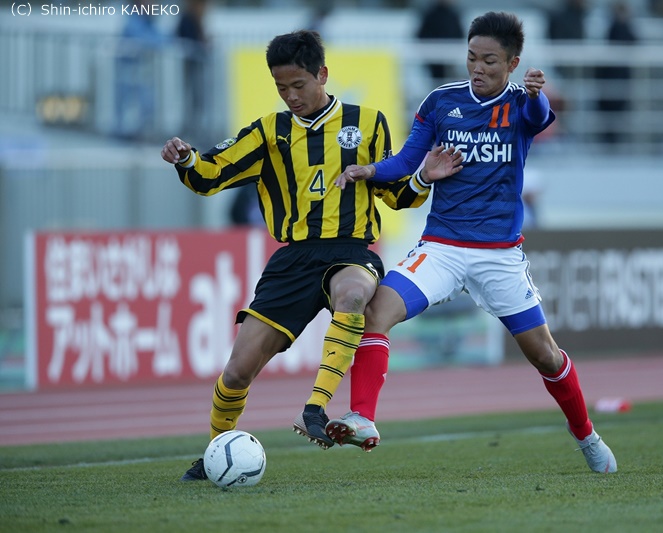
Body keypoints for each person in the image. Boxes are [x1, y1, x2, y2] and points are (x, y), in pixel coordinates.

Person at [161, 30, 461, 481]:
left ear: (321, 74)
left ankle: (315, 408)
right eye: (281, 88)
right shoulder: (269, 132)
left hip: (351, 250)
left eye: (298, 85)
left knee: (356, 294)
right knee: (238, 371)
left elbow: (396, 195)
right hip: (293, 259)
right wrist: (186, 159)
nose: (290, 96)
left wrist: (423, 176)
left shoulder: (369, 122)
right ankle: (215, 452)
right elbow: (210, 176)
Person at [327, 11, 618, 474]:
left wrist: (537, 93)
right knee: (378, 309)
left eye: (488, 60)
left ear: (512, 63)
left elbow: (540, 118)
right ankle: (362, 415)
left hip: (499, 256)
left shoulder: (523, 104)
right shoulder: (441, 102)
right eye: (471, 58)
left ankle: (585, 434)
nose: (477, 68)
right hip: (442, 246)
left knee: (544, 355)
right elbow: (406, 159)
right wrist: (369, 170)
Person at [115, 0, 167, 140]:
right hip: (130, 76)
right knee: (129, 110)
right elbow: (149, 41)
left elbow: (161, 39)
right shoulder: (133, 23)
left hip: (140, 76)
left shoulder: (148, 23)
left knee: (146, 108)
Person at [595, 0, 638, 145]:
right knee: (611, 109)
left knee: (616, 110)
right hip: (612, 76)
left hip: (618, 76)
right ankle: (610, 140)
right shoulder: (614, 26)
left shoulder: (623, 27)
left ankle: (613, 140)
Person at [175, 0, 211, 136]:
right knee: (191, 98)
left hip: (196, 67)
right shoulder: (188, 19)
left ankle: (196, 128)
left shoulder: (197, 21)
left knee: (198, 99)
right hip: (190, 67)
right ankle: (190, 128)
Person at [416, 0, 465, 85]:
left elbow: (459, 35)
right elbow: (422, 35)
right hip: (433, 58)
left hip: (450, 57)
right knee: (436, 81)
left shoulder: (453, 15)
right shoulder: (430, 14)